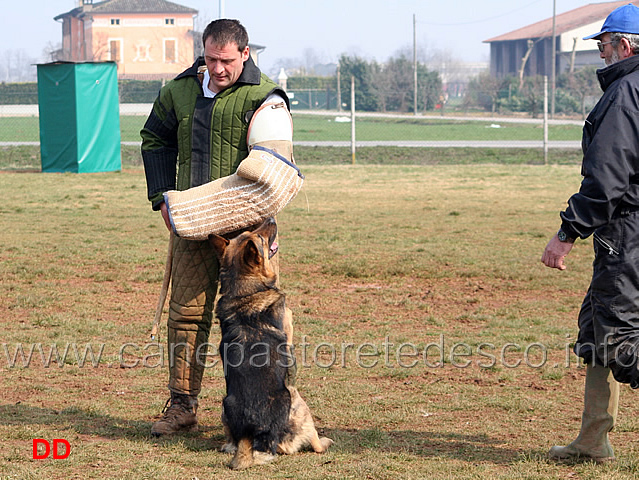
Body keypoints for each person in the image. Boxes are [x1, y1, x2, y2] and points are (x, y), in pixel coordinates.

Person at [140, 19, 293, 437]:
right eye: (210, 59)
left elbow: (274, 166)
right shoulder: (179, 90)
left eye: (226, 60)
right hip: (194, 225)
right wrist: (161, 199)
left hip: (248, 235)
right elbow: (154, 139)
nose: (218, 69)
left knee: (256, 322)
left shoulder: (265, 98)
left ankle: (259, 412)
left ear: (245, 54)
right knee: (186, 315)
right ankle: (182, 406)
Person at [541, 3, 639, 463]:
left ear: (623, 45)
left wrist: (567, 232)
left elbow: (606, 180)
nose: (599, 52)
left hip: (628, 235)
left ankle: (593, 439)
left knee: (620, 340)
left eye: (602, 44)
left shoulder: (624, 94)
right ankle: (593, 438)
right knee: (598, 329)